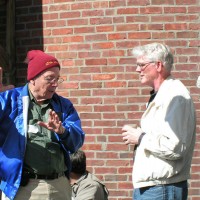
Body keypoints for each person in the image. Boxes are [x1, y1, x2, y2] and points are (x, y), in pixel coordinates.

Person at [0, 50, 85, 200]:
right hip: (22, 188)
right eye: (49, 78)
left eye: (58, 79)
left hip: (59, 186)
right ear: (32, 78)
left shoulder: (64, 105)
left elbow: (76, 143)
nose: (55, 84)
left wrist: (63, 131)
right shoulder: (9, 100)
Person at [121, 43, 196, 200]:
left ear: (158, 65)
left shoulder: (175, 96)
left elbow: (175, 147)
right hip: (156, 187)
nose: (137, 69)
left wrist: (141, 137)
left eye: (141, 65)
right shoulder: (163, 94)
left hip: (162, 189)